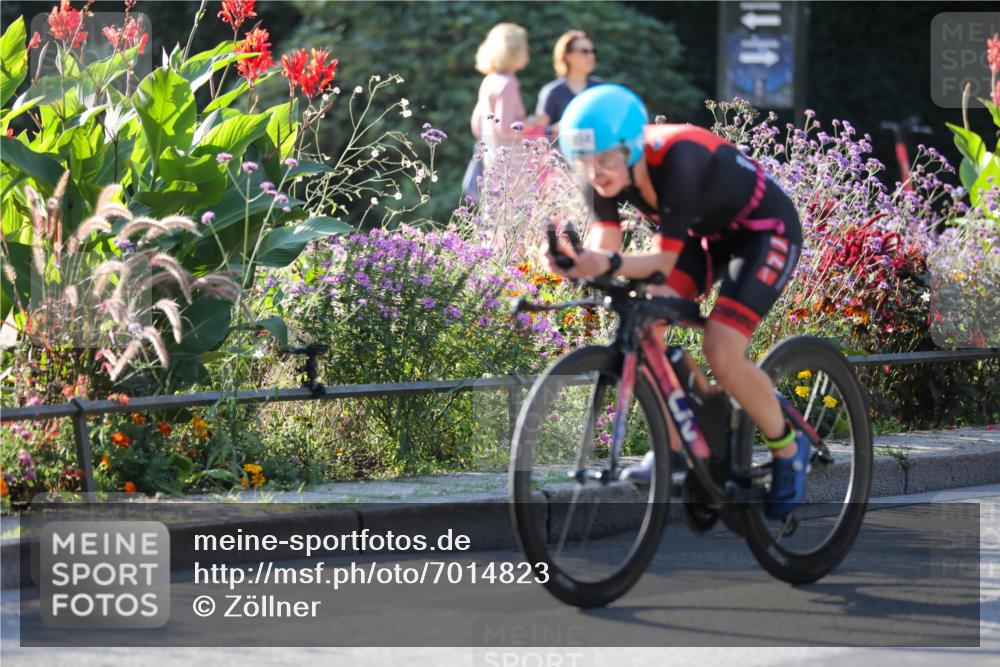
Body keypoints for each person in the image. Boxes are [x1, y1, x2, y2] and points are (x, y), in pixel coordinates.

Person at [542, 84, 809, 519]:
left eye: (606, 159)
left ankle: (787, 448)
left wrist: (601, 262)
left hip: (762, 231)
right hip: (701, 237)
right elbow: (605, 245)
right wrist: (574, 262)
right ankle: (680, 447)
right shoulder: (602, 173)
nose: (596, 173)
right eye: (584, 162)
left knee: (722, 351)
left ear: (633, 147)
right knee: (646, 324)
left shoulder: (679, 159)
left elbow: (661, 259)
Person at [536, 30, 601, 134]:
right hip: (563, 150)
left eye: (592, 51)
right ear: (567, 55)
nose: (591, 56)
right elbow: (540, 133)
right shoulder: (552, 92)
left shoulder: (600, 89)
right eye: (584, 51)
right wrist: (557, 128)